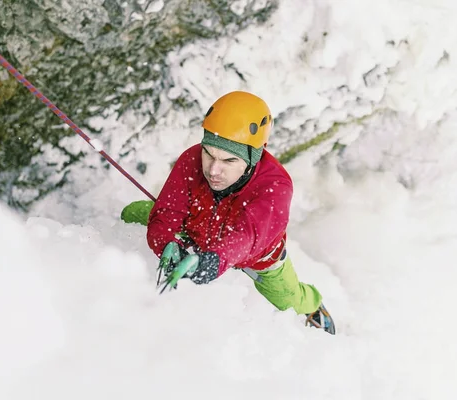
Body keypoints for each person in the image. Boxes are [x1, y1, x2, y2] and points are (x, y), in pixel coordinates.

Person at [123, 91, 335, 335]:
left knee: (289, 299)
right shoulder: (191, 159)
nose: (213, 170)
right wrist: (166, 243)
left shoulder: (275, 186)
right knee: (134, 212)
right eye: (209, 154)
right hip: (196, 230)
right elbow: (169, 211)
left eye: (229, 161)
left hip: (255, 257)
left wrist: (214, 260)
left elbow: (248, 236)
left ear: (253, 158)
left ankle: (313, 308)